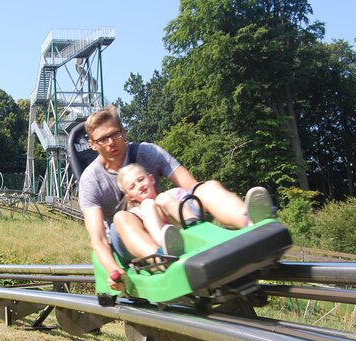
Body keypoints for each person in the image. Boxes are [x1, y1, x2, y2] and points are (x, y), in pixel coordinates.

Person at [78, 104, 273, 291]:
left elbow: (191, 186)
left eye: (115, 134)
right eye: (103, 139)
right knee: (121, 218)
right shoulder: (91, 180)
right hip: (131, 236)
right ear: (93, 145)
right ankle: (161, 259)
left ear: (123, 131)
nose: (111, 142)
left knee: (207, 187)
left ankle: (250, 221)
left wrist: (200, 196)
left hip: (169, 223)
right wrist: (114, 271)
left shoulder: (147, 152)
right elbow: (99, 239)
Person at [116, 163, 195, 257]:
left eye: (141, 180)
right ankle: (164, 245)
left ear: (151, 179)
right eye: (132, 187)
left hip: (187, 231)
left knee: (162, 198)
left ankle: (194, 225)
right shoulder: (136, 214)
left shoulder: (173, 194)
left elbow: (192, 204)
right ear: (130, 197)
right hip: (164, 244)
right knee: (148, 204)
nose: (139, 186)